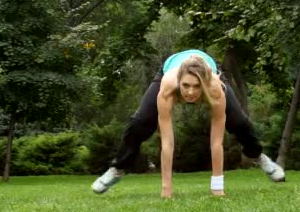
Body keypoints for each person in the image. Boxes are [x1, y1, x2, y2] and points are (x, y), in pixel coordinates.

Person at [91, 49, 285, 198]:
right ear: (179, 82)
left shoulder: (215, 87)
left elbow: (216, 143)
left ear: (204, 84)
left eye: (196, 87)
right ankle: (118, 168)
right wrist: (166, 190)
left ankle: (259, 157)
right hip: (171, 68)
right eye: (186, 86)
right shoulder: (168, 85)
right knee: (140, 122)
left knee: (239, 122)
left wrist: (217, 187)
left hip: (210, 71)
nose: (190, 93)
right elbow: (167, 143)